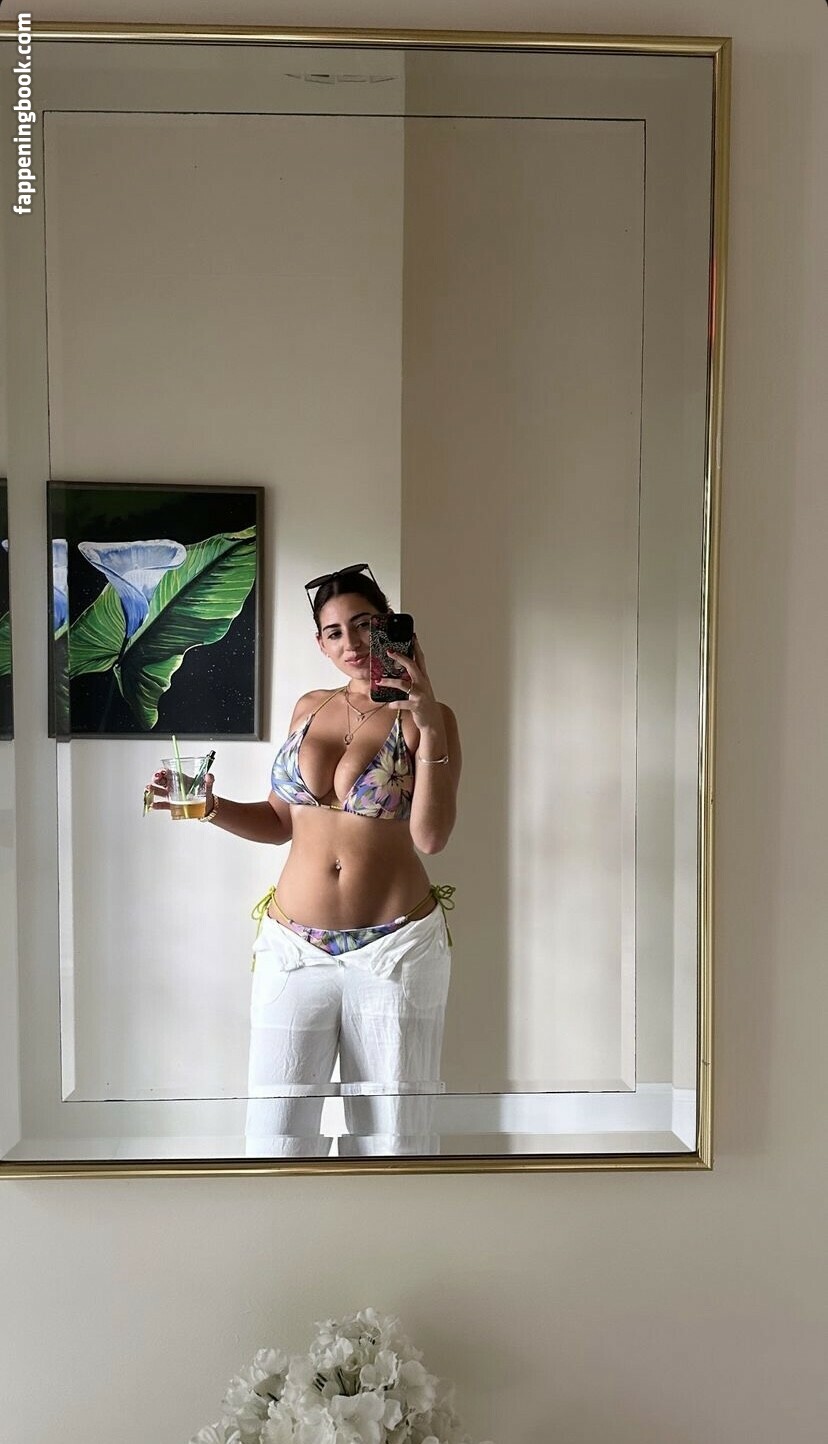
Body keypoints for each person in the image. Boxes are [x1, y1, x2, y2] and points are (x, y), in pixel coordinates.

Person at [149, 564, 461, 1156]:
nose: (352, 643)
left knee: (394, 1141)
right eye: (334, 632)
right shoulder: (309, 708)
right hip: (293, 949)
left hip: (394, 950)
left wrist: (425, 722)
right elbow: (278, 823)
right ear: (320, 643)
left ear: (391, 625)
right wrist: (209, 806)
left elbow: (431, 837)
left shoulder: (430, 718)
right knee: (276, 1140)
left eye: (365, 625)